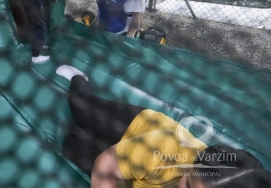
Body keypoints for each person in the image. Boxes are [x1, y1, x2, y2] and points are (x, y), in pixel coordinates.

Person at [56, 64, 271, 188]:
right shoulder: (166, 151)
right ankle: (79, 78)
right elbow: (105, 165)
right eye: (187, 185)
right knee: (80, 107)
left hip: (141, 162)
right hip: (139, 126)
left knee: (72, 143)